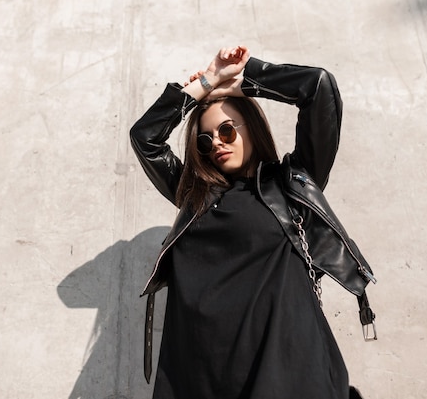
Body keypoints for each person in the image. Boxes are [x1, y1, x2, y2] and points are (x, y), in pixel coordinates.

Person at [130, 46, 376, 399]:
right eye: (205, 139)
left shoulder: (290, 183)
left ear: (251, 127)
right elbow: (146, 138)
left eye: (227, 130)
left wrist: (246, 82)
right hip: (201, 369)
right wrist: (204, 83)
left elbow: (318, 87)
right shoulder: (194, 196)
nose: (215, 142)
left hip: (284, 362)